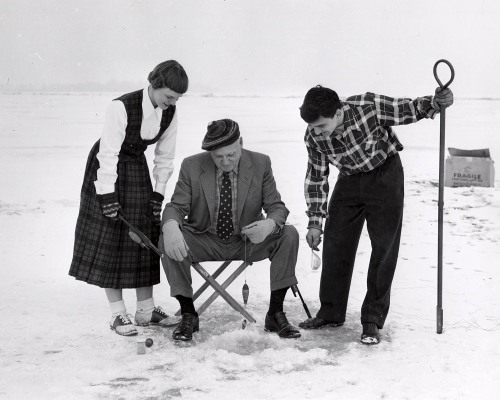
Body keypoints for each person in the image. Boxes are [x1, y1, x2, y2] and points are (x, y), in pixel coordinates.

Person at [297, 85, 454, 345]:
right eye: (313, 127)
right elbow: (316, 177)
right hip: (349, 179)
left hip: (384, 174)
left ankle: (372, 319)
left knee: (383, 247)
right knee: (336, 243)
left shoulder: (367, 107)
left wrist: (436, 103)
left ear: (338, 112)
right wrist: (315, 221)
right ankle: (331, 312)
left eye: (321, 125)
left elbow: (410, 109)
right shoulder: (313, 136)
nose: (316, 132)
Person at [69, 60, 189, 336]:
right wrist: (107, 195)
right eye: (169, 96)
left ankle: (146, 310)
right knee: (113, 235)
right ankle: (117, 314)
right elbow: (108, 154)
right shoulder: (120, 107)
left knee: (143, 233)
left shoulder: (169, 112)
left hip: (136, 167)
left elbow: (165, 156)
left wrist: (158, 192)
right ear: (155, 84)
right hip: (106, 170)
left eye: (177, 98)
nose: (172, 102)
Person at [160, 119, 301, 341]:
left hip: (247, 241)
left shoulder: (261, 163)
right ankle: (188, 314)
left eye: (231, 155)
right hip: (204, 239)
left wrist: (269, 224)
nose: (225, 161)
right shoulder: (191, 165)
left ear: (241, 144)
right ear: (210, 153)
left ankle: (275, 313)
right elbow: (176, 207)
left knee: (288, 234)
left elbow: (276, 207)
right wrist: (170, 227)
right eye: (218, 157)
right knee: (168, 238)